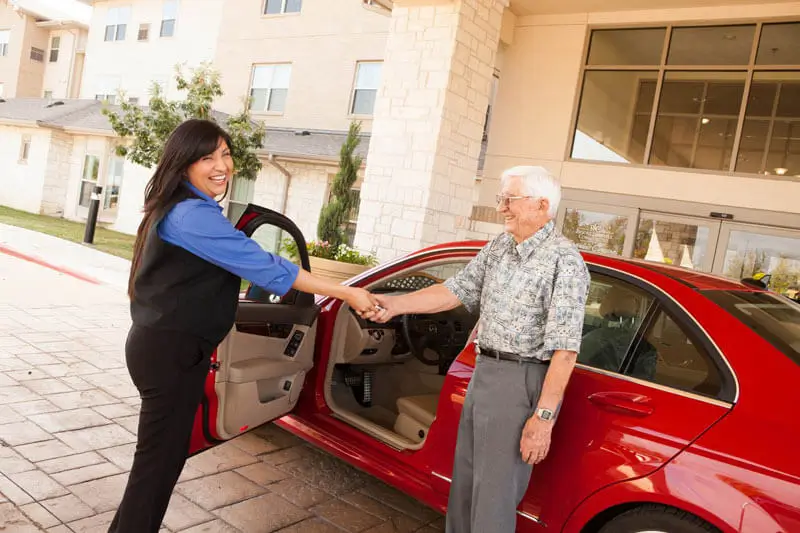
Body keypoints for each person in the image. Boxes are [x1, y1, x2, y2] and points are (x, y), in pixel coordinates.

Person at [108, 119, 379, 533]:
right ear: (183, 165)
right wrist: (346, 293)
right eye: (207, 157)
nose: (223, 165)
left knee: (159, 461)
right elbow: (266, 267)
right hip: (170, 352)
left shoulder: (180, 207)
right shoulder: (192, 216)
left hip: (164, 346)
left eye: (226, 154)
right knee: (157, 466)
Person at [368, 166, 590, 533]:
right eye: (501, 198)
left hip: (519, 381)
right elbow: (454, 290)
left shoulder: (564, 261)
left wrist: (543, 420)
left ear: (541, 205)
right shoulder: (501, 246)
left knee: (494, 498)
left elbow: (565, 350)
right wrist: (395, 305)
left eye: (510, 199)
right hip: (484, 371)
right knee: (466, 486)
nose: (502, 207)